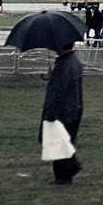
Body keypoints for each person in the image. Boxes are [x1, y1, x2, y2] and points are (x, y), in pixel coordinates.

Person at [41, 42, 83, 184]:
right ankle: (67, 172)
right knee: (65, 142)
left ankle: (64, 175)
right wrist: (51, 77)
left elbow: (58, 92)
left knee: (58, 144)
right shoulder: (74, 62)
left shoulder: (63, 65)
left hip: (62, 111)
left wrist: (50, 113)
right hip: (74, 108)